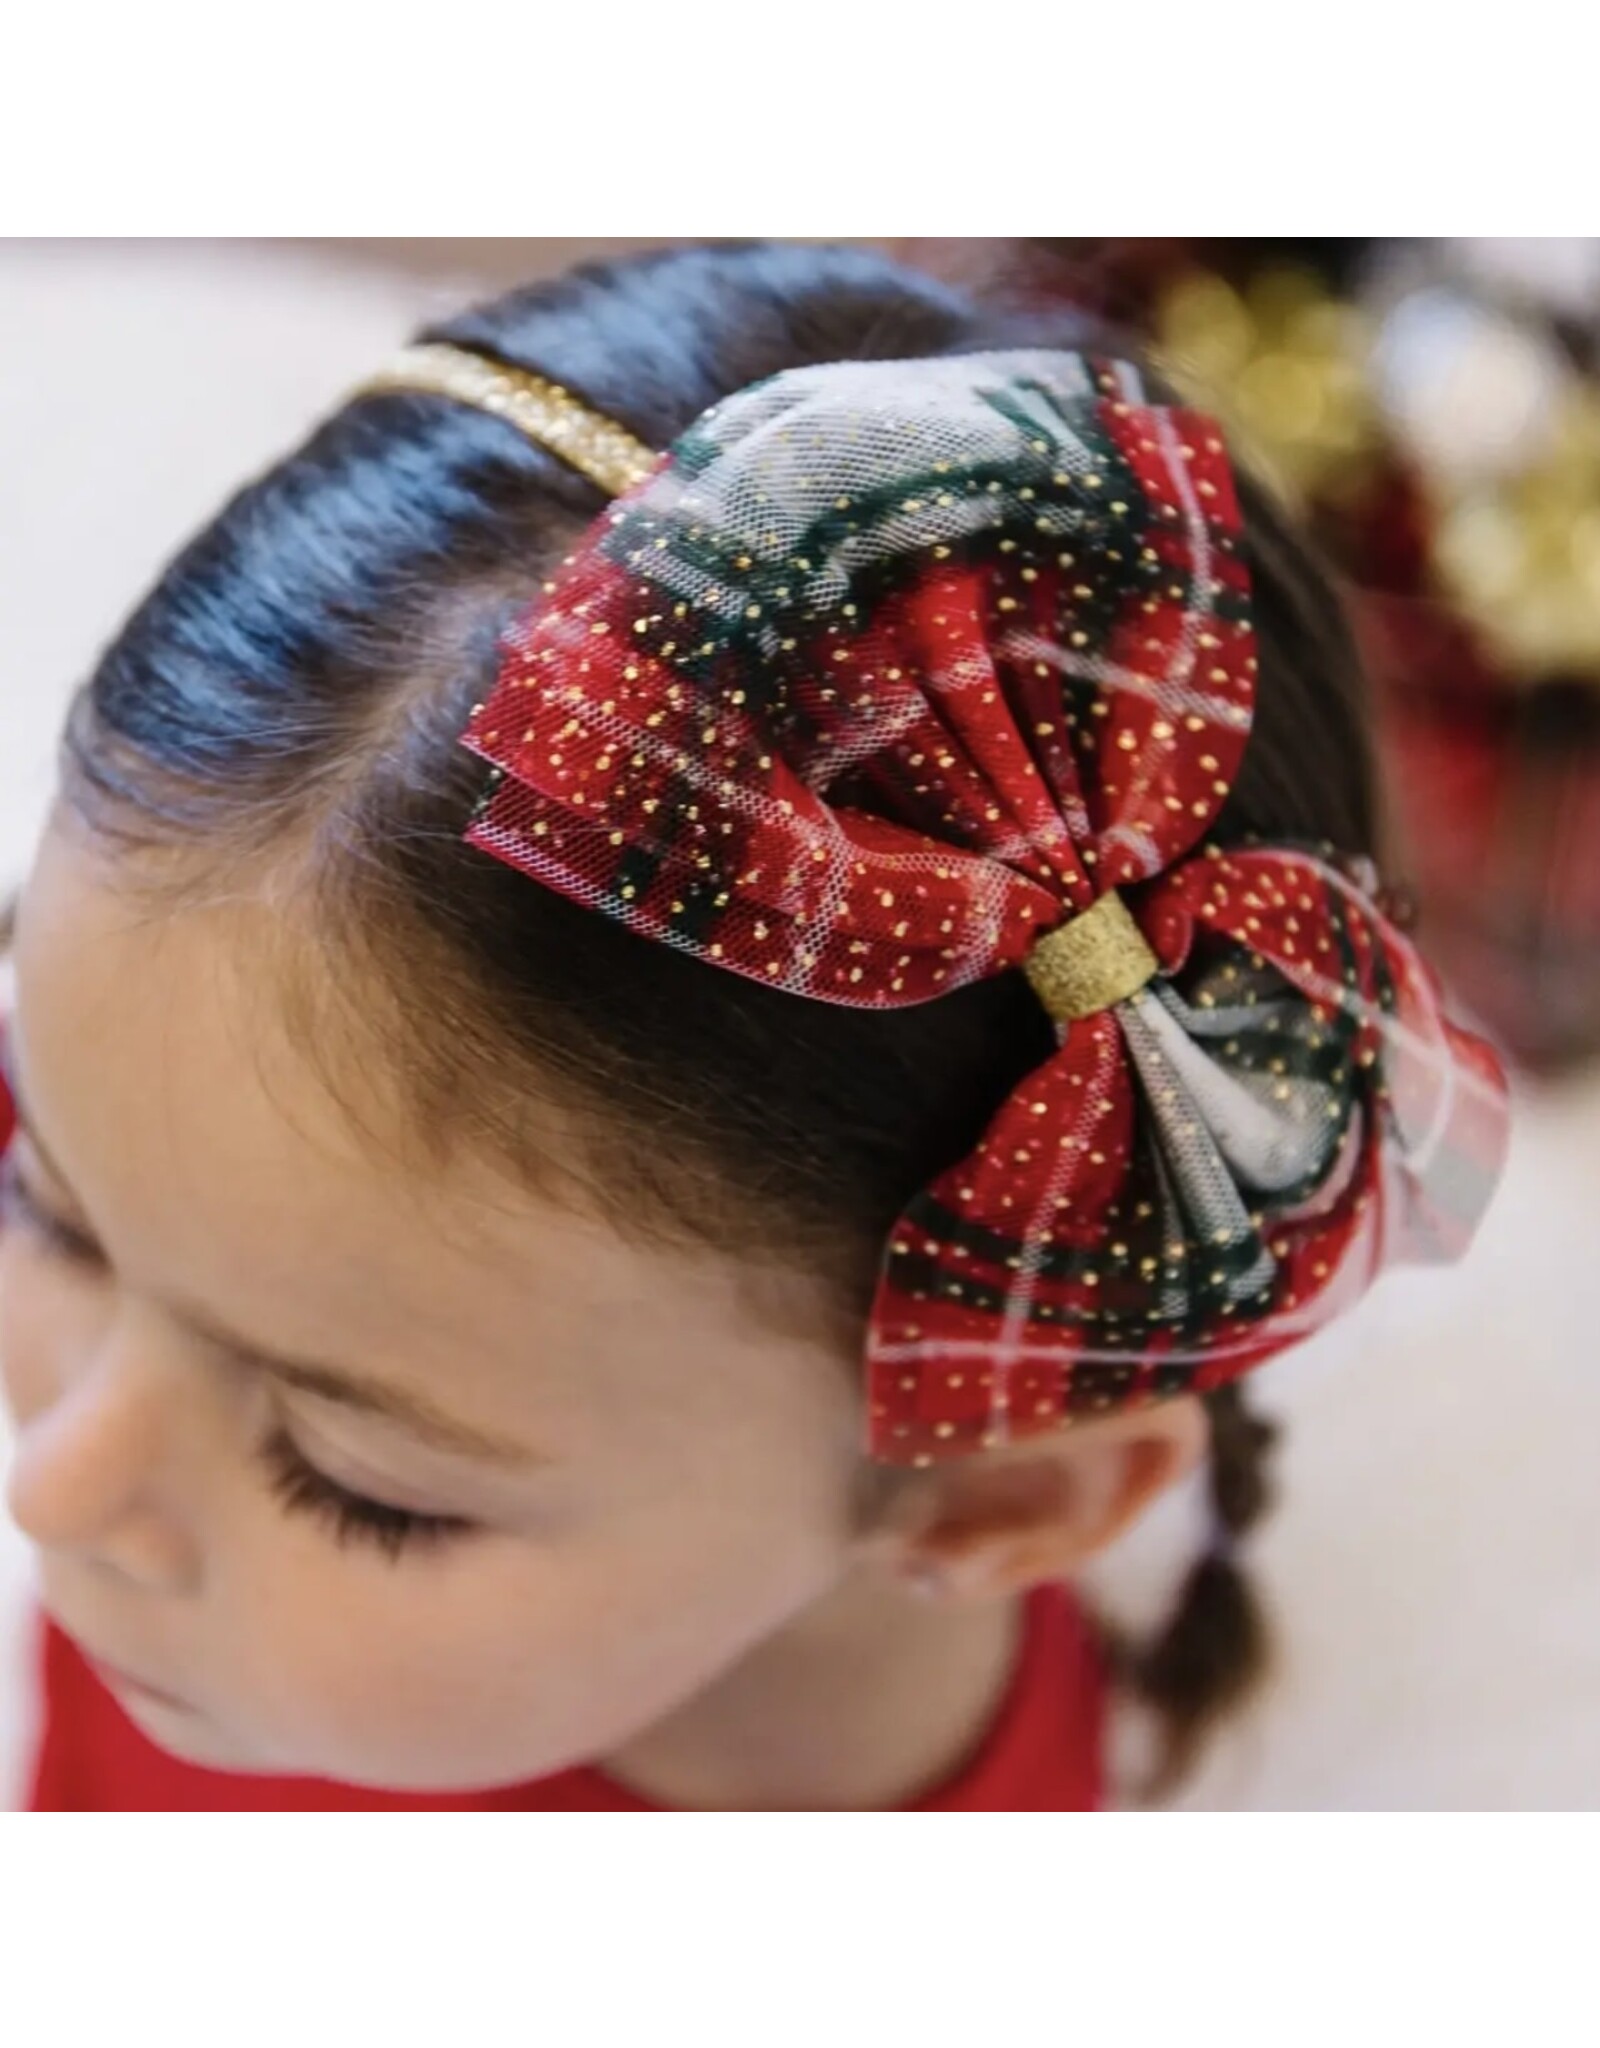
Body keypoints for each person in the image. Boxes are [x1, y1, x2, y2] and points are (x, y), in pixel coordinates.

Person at [0, 241, 1506, 1811]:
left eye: (356, 1489)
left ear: (986, 1508)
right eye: (49, 1212)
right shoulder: (219, 1139)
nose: (55, 1487)